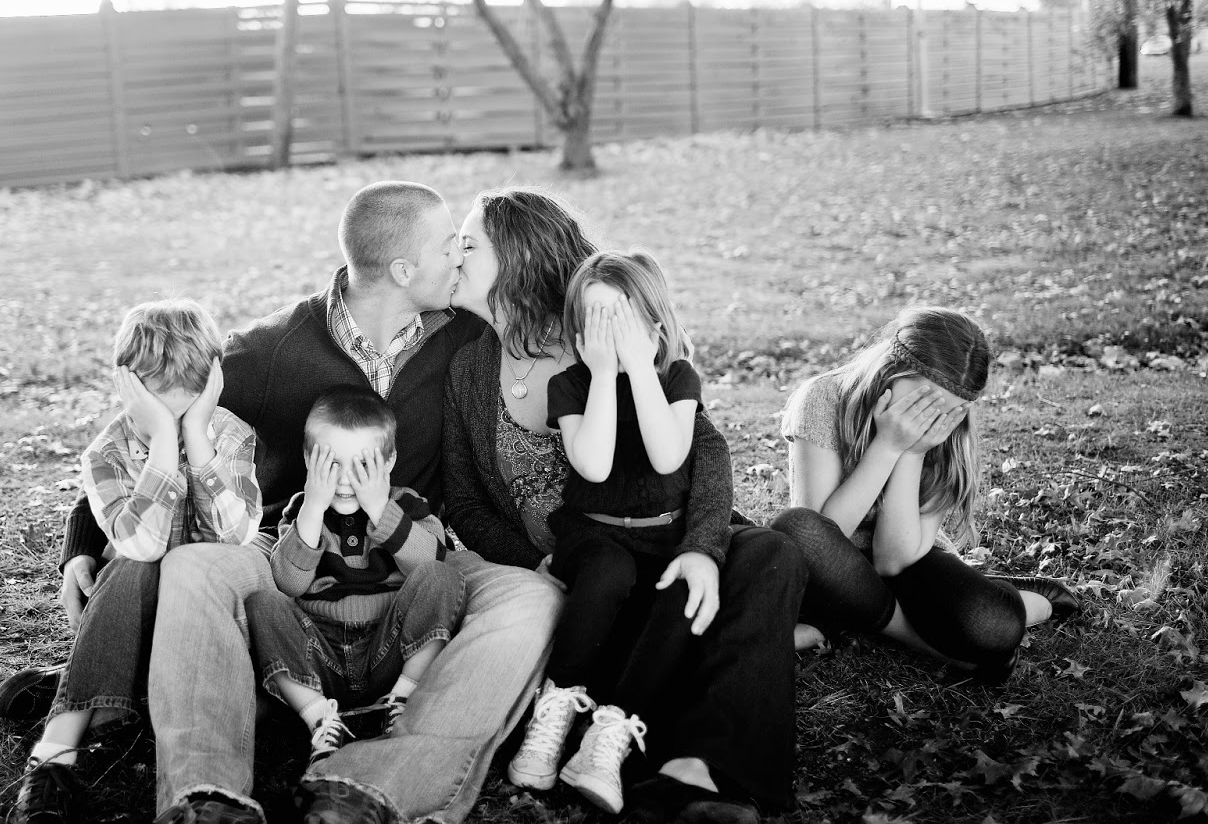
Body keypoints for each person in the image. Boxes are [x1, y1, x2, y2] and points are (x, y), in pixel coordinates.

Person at [36, 181, 560, 824]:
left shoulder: (466, 339)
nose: (459, 256)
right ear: (403, 270)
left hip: (417, 554)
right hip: (291, 555)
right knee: (193, 565)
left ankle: (371, 787)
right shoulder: (273, 349)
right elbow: (149, 424)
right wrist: (83, 543)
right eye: (449, 244)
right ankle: (206, 795)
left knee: (532, 599)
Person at [442, 189, 808, 824]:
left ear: (517, 258)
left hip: (666, 540)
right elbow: (467, 503)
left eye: (469, 245)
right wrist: (539, 562)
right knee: (621, 601)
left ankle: (699, 767)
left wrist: (702, 548)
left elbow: (704, 454)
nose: (454, 255)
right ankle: (691, 698)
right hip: (586, 571)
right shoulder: (470, 367)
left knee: (772, 553)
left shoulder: (602, 333)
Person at [12, 300, 265, 824]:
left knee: (188, 569)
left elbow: (234, 536)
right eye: (155, 420)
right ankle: (54, 755)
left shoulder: (230, 435)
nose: (170, 428)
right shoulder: (105, 455)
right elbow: (143, 546)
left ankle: (104, 695)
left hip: (211, 623)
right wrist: (165, 450)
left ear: (210, 391)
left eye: (185, 414)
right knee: (133, 564)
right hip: (137, 612)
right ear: (128, 392)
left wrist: (197, 441)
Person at [769, 306, 1081, 683]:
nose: (933, 419)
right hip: (833, 566)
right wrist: (886, 446)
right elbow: (818, 537)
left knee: (993, 627)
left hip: (908, 559)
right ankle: (920, 638)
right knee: (798, 529)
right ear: (892, 370)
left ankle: (1031, 598)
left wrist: (911, 452)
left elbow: (894, 561)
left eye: (950, 411)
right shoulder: (823, 398)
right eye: (925, 402)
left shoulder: (950, 428)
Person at [503, 250, 703, 813]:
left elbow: (668, 457)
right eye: (595, 318)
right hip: (592, 536)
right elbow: (592, 464)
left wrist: (638, 369)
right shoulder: (570, 385)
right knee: (610, 569)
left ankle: (609, 735)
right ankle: (555, 708)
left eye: (621, 316)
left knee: (680, 590)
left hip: (662, 537)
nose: (609, 331)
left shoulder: (677, 378)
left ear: (654, 321)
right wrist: (605, 377)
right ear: (577, 331)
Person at [247, 388, 464, 773]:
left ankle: (402, 700)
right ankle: (320, 719)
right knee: (263, 604)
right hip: (321, 656)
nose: (346, 480)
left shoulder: (407, 504)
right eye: (332, 464)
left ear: (389, 460)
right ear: (308, 460)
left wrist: (380, 508)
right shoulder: (302, 512)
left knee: (441, 577)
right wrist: (313, 508)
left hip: (391, 650)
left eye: (362, 465)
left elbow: (430, 562)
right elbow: (289, 584)